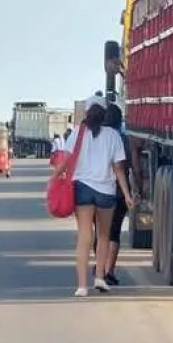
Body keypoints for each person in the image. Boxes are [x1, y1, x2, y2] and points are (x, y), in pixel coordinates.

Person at [51, 94, 135, 297]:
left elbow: (67, 161)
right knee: (103, 236)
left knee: (84, 237)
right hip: (106, 192)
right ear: (105, 114)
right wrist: (126, 194)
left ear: (87, 113)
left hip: (82, 190)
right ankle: (99, 277)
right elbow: (118, 169)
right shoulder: (113, 136)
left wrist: (54, 177)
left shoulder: (78, 133)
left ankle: (81, 286)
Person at [94, 102, 138, 286]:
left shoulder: (94, 137)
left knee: (100, 232)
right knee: (114, 232)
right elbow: (132, 166)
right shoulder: (124, 139)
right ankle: (109, 271)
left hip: (97, 189)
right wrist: (136, 191)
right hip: (119, 191)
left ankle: (99, 267)